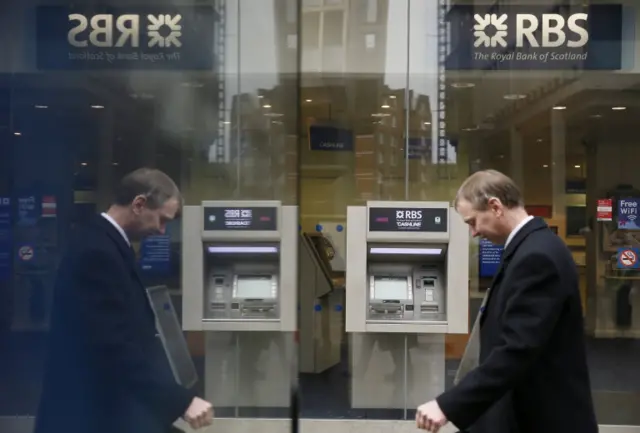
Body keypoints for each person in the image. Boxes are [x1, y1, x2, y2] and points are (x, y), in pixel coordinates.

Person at [416, 170, 597, 433]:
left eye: (473, 221)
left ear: (495, 206)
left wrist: (448, 405)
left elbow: (517, 348)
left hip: (543, 419)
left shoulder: (537, 257)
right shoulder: (530, 247)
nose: (474, 232)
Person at [35, 168, 214, 433]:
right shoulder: (97, 253)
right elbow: (115, 347)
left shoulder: (105, 243)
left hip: (109, 409)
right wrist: (182, 401)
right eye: (162, 220)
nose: (163, 231)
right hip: (90, 414)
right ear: (139, 204)